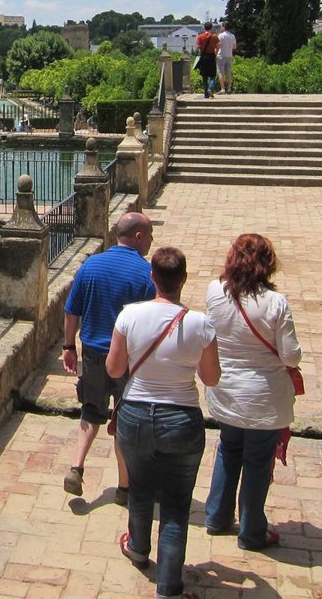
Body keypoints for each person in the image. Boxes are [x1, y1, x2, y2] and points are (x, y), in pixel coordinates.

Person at [107, 246, 220, 599]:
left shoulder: (129, 315)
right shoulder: (201, 324)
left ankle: (138, 548)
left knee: (140, 489)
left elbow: (114, 368)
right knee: (175, 506)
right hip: (181, 417)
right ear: (183, 279)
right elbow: (211, 378)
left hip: (136, 414)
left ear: (152, 277)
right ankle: (168, 587)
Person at [203, 234, 302, 551]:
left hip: (225, 391)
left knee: (228, 450)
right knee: (258, 462)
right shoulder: (275, 303)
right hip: (263, 397)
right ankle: (251, 531)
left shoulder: (215, 291)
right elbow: (291, 356)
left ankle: (217, 517)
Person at [62, 212, 156, 504]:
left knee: (91, 410)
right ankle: (124, 488)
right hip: (127, 358)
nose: (151, 241)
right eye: (150, 236)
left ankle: (77, 467)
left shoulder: (90, 265)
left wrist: (68, 346)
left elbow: (71, 311)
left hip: (92, 353)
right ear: (138, 237)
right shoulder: (146, 274)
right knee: (124, 418)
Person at [196, 22, 219, 98]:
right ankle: (210, 88)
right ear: (211, 28)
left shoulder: (200, 36)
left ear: (204, 28)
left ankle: (206, 94)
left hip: (203, 57)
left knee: (204, 76)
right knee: (212, 75)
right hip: (211, 56)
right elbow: (218, 46)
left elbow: (198, 47)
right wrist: (215, 53)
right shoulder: (214, 36)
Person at [217, 21, 237, 95]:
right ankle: (229, 88)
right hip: (229, 55)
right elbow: (234, 47)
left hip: (221, 55)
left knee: (221, 73)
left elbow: (218, 45)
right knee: (228, 73)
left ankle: (222, 89)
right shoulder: (232, 36)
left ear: (223, 27)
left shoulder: (220, 35)